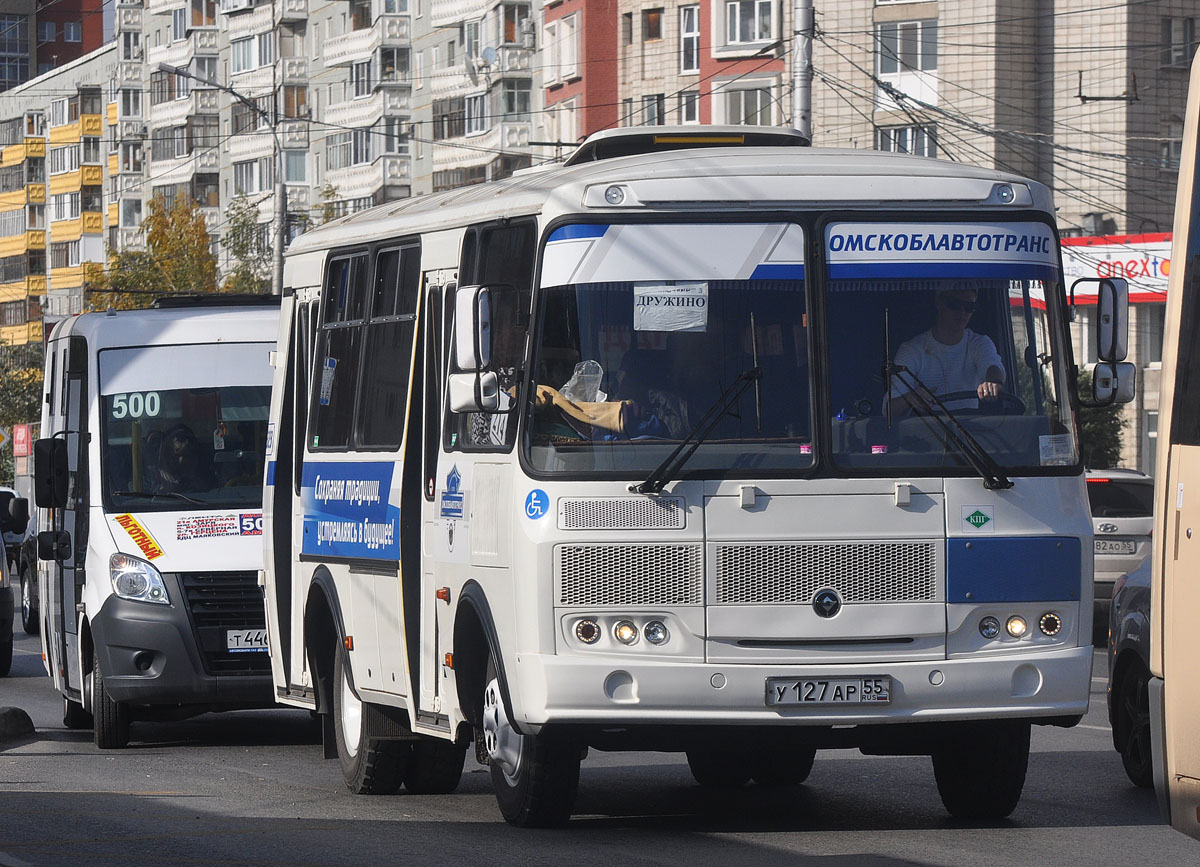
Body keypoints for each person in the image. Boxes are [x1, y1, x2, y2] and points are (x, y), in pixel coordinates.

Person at [888, 288, 1006, 415]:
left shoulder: (979, 343)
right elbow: (889, 409)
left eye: (969, 306)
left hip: (972, 433)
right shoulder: (911, 350)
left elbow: (992, 365)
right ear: (939, 303)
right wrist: (910, 398)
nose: (962, 312)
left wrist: (993, 382)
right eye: (954, 304)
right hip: (926, 433)